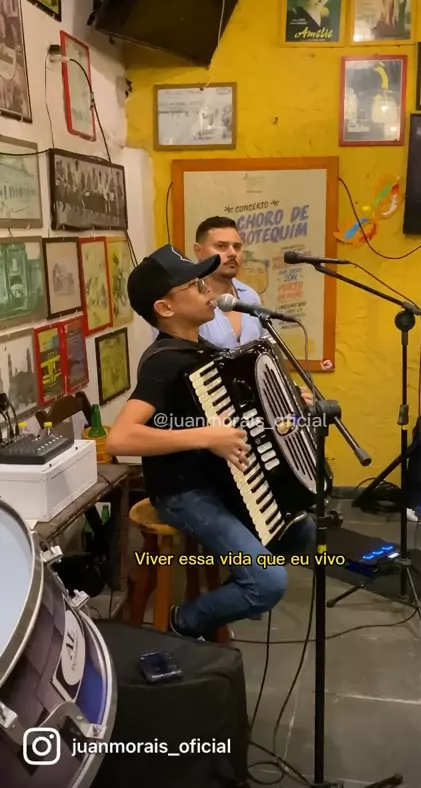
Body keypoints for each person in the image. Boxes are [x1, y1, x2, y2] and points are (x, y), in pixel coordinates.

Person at [106, 243, 315, 640]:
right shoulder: (163, 361)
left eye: (204, 282)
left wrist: (288, 406)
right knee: (269, 582)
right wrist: (205, 437)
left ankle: (233, 592)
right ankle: (184, 620)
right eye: (195, 286)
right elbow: (120, 438)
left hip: (223, 482)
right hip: (184, 493)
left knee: (303, 530)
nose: (208, 290)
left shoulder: (206, 353)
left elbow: (240, 419)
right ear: (165, 308)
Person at [193, 216, 268, 348]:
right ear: (198, 251)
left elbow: (267, 345)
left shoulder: (251, 296)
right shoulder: (187, 300)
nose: (232, 253)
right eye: (221, 246)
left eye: (237, 247)